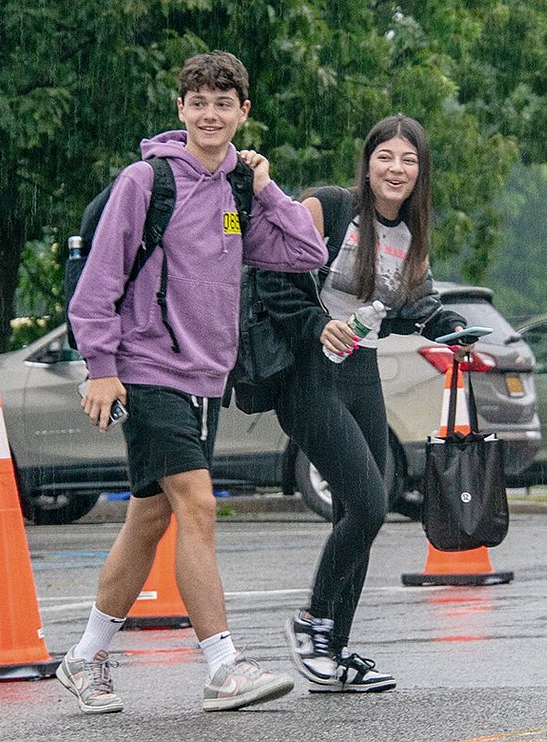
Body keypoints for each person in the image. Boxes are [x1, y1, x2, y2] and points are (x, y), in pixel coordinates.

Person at [59, 50, 327, 714]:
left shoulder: (238, 191)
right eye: (199, 102)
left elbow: (305, 252)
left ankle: (84, 657)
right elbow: (96, 286)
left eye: (224, 102)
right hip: (150, 370)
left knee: (150, 519)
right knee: (198, 510)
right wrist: (101, 367)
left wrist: (265, 187)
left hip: (206, 379)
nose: (211, 113)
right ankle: (223, 666)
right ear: (180, 110)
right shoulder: (146, 181)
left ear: (243, 112)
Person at [250, 114, 473, 693]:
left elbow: (413, 302)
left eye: (408, 160)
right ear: (367, 161)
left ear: (421, 172)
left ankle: (336, 649)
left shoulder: (411, 232)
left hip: (361, 368)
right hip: (306, 371)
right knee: (369, 504)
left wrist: (446, 322)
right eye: (386, 157)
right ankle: (312, 625)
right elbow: (271, 277)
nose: (396, 170)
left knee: (370, 506)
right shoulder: (327, 208)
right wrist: (317, 325)